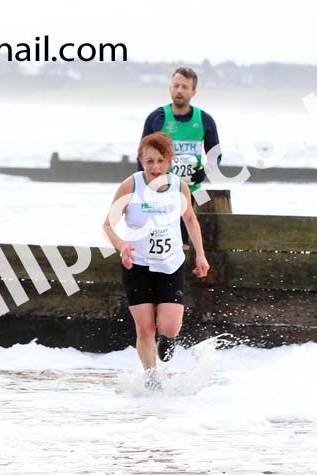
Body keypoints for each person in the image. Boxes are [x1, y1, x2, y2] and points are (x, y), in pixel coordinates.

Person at [104, 132, 210, 388]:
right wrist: (122, 246)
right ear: (141, 160)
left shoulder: (178, 186)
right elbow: (108, 224)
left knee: (170, 327)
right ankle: (152, 377)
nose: (155, 167)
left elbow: (190, 221)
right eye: (149, 161)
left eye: (160, 160)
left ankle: (169, 338)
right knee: (144, 330)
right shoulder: (131, 185)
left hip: (170, 265)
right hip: (137, 266)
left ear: (169, 161)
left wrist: (201, 255)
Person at [138, 67, 221, 250]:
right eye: (176, 86)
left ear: (193, 92)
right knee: (160, 242)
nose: (179, 91)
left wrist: (204, 173)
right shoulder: (157, 118)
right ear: (170, 88)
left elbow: (215, 156)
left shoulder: (205, 120)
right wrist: (142, 189)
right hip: (161, 190)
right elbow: (142, 157)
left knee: (185, 244)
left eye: (185, 87)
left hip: (191, 190)